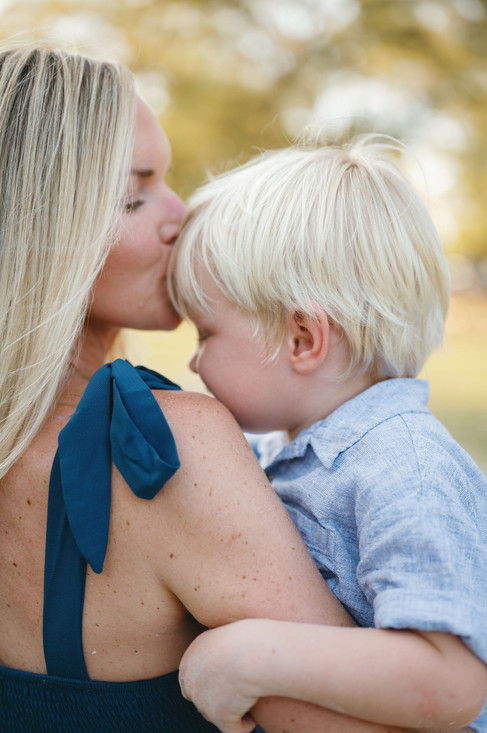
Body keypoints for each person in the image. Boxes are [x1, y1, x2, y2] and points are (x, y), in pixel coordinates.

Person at [0, 44, 420, 733]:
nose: (180, 213)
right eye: (132, 196)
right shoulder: (158, 444)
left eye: (168, 179)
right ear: (39, 232)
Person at [168, 136, 487, 733]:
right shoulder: (289, 451)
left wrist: (253, 658)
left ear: (302, 339)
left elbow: (451, 681)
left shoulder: (404, 467)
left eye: (205, 334)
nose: (193, 363)